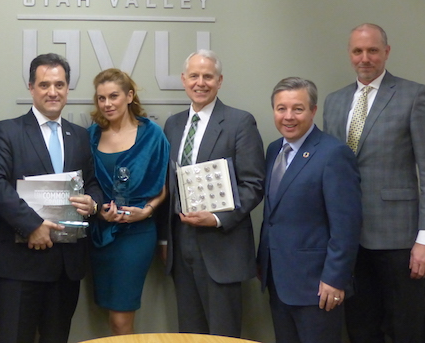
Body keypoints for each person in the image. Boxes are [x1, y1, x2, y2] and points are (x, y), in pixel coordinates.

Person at [0, 53, 102, 343]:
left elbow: (93, 182)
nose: (52, 92)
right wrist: (32, 224)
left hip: (66, 266)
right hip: (21, 264)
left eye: (59, 84)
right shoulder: (6, 131)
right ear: (31, 87)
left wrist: (93, 202)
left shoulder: (81, 136)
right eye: (45, 84)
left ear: (68, 89)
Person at [323, 23, 425, 343]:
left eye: (372, 50)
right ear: (350, 54)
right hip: (349, 238)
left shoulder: (414, 95)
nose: (365, 58)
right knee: (360, 327)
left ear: (386, 52)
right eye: (358, 51)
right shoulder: (334, 101)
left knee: (405, 327)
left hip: (400, 240)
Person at [160, 49, 265, 336]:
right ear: (184, 80)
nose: (200, 82)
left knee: (222, 334)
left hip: (221, 243)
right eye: (194, 76)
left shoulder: (239, 122)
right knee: (189, 332)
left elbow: (254, 184)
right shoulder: (173, 124)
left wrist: (218, 219)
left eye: (208, 76)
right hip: (182, 243)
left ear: (220, 81)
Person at [258, 77, 362, 343]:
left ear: (313, 111)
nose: (288, 117)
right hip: (279, 281)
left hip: (317, 286)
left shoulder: (333, 153)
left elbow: (346, 226)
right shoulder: (274, 151)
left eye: (298, 108)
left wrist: (335, 279)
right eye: (281, 108)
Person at [88, 68, 169, 335]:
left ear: (129, 95)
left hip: (136, 233)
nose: (107, 103)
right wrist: (100, 211)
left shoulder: (152, 135)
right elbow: (87, 183)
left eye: (114, 96)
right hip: (100, 232)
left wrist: (146, 211)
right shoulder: (92, 135)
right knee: (110, 317)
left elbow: (162, 187)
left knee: (122, 318)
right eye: (101, 98)